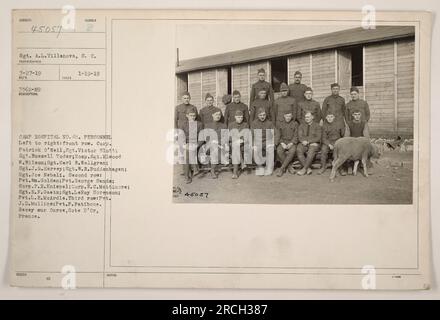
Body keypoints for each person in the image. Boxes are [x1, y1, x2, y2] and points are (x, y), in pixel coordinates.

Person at [178, 109, 203, 184]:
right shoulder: (183, 124)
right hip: (185, 144)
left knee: (188, 152)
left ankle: (187, 175)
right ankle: (193, 170)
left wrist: (197, 145)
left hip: (195, 143)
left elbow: (201, 137)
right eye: (190, 115)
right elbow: (180, 136)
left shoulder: (199, 124)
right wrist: (184, 145)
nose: (192, 117)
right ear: (187, 116)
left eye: (194, 116)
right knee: (187, 151)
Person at [202, 109, 228, 179]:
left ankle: (212, 170)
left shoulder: (223, 126)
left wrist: (218, 142)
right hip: (209, 146)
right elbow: (206, 137)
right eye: (216, 114)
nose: (218, 116)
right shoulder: (207, 125)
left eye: (219, 114)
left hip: (220, 145)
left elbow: (225, 137)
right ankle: (216, 167)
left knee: (215, 148)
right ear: (212, 115)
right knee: (214, 147)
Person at [251, 107, 275, 176]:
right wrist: (253, 144)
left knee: (270, 149)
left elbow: (276, 133)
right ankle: (260, 167)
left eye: (264, 115)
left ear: (266, 115)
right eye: (261, 115)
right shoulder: (254, 123)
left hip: (267, 141)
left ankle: (269, 168)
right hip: (257, 142)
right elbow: (251, 135)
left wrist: (273, 143)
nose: (262, 117)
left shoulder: (269, 123)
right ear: (258, 115)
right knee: (254, 150)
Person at [296, 111, 322, 175]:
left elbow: (318, 137)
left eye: (308, 117)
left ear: (312, 117)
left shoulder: (317, 126)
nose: (306, 118)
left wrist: (308, 142)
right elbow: (300, 136)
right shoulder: (301, 125)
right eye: (305, 117)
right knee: (298, 149)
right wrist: (303, 141)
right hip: (303, 143)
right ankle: (308, 168)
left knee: (311, 150)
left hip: (314, 143)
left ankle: (304, 169)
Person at [275, 110, 299, 177]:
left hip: (291, 142)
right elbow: (278, 135)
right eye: (286, 116)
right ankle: (289, 167)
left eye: (289, 116)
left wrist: (291, 143)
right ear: (284, 116)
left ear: (291, 116)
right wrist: (282, 143)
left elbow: (296, 135)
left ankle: (281, 169)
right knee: (279, 151)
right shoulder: (280, 124)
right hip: (283, 142)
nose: (288, 117)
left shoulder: (295, 124)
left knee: (292, 151)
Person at [228, 110, 250, 179]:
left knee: (235, 149)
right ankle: (242, 163)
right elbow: (229, 136)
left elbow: (247, 135)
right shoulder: (231, 125)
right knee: (235, 146)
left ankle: (235, 173)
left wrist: (242, 140)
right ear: (235, 117)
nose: (240, 119)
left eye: (241, 117)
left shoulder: (245, 125)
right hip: (233, 143)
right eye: (238, 117)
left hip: (242, 143)